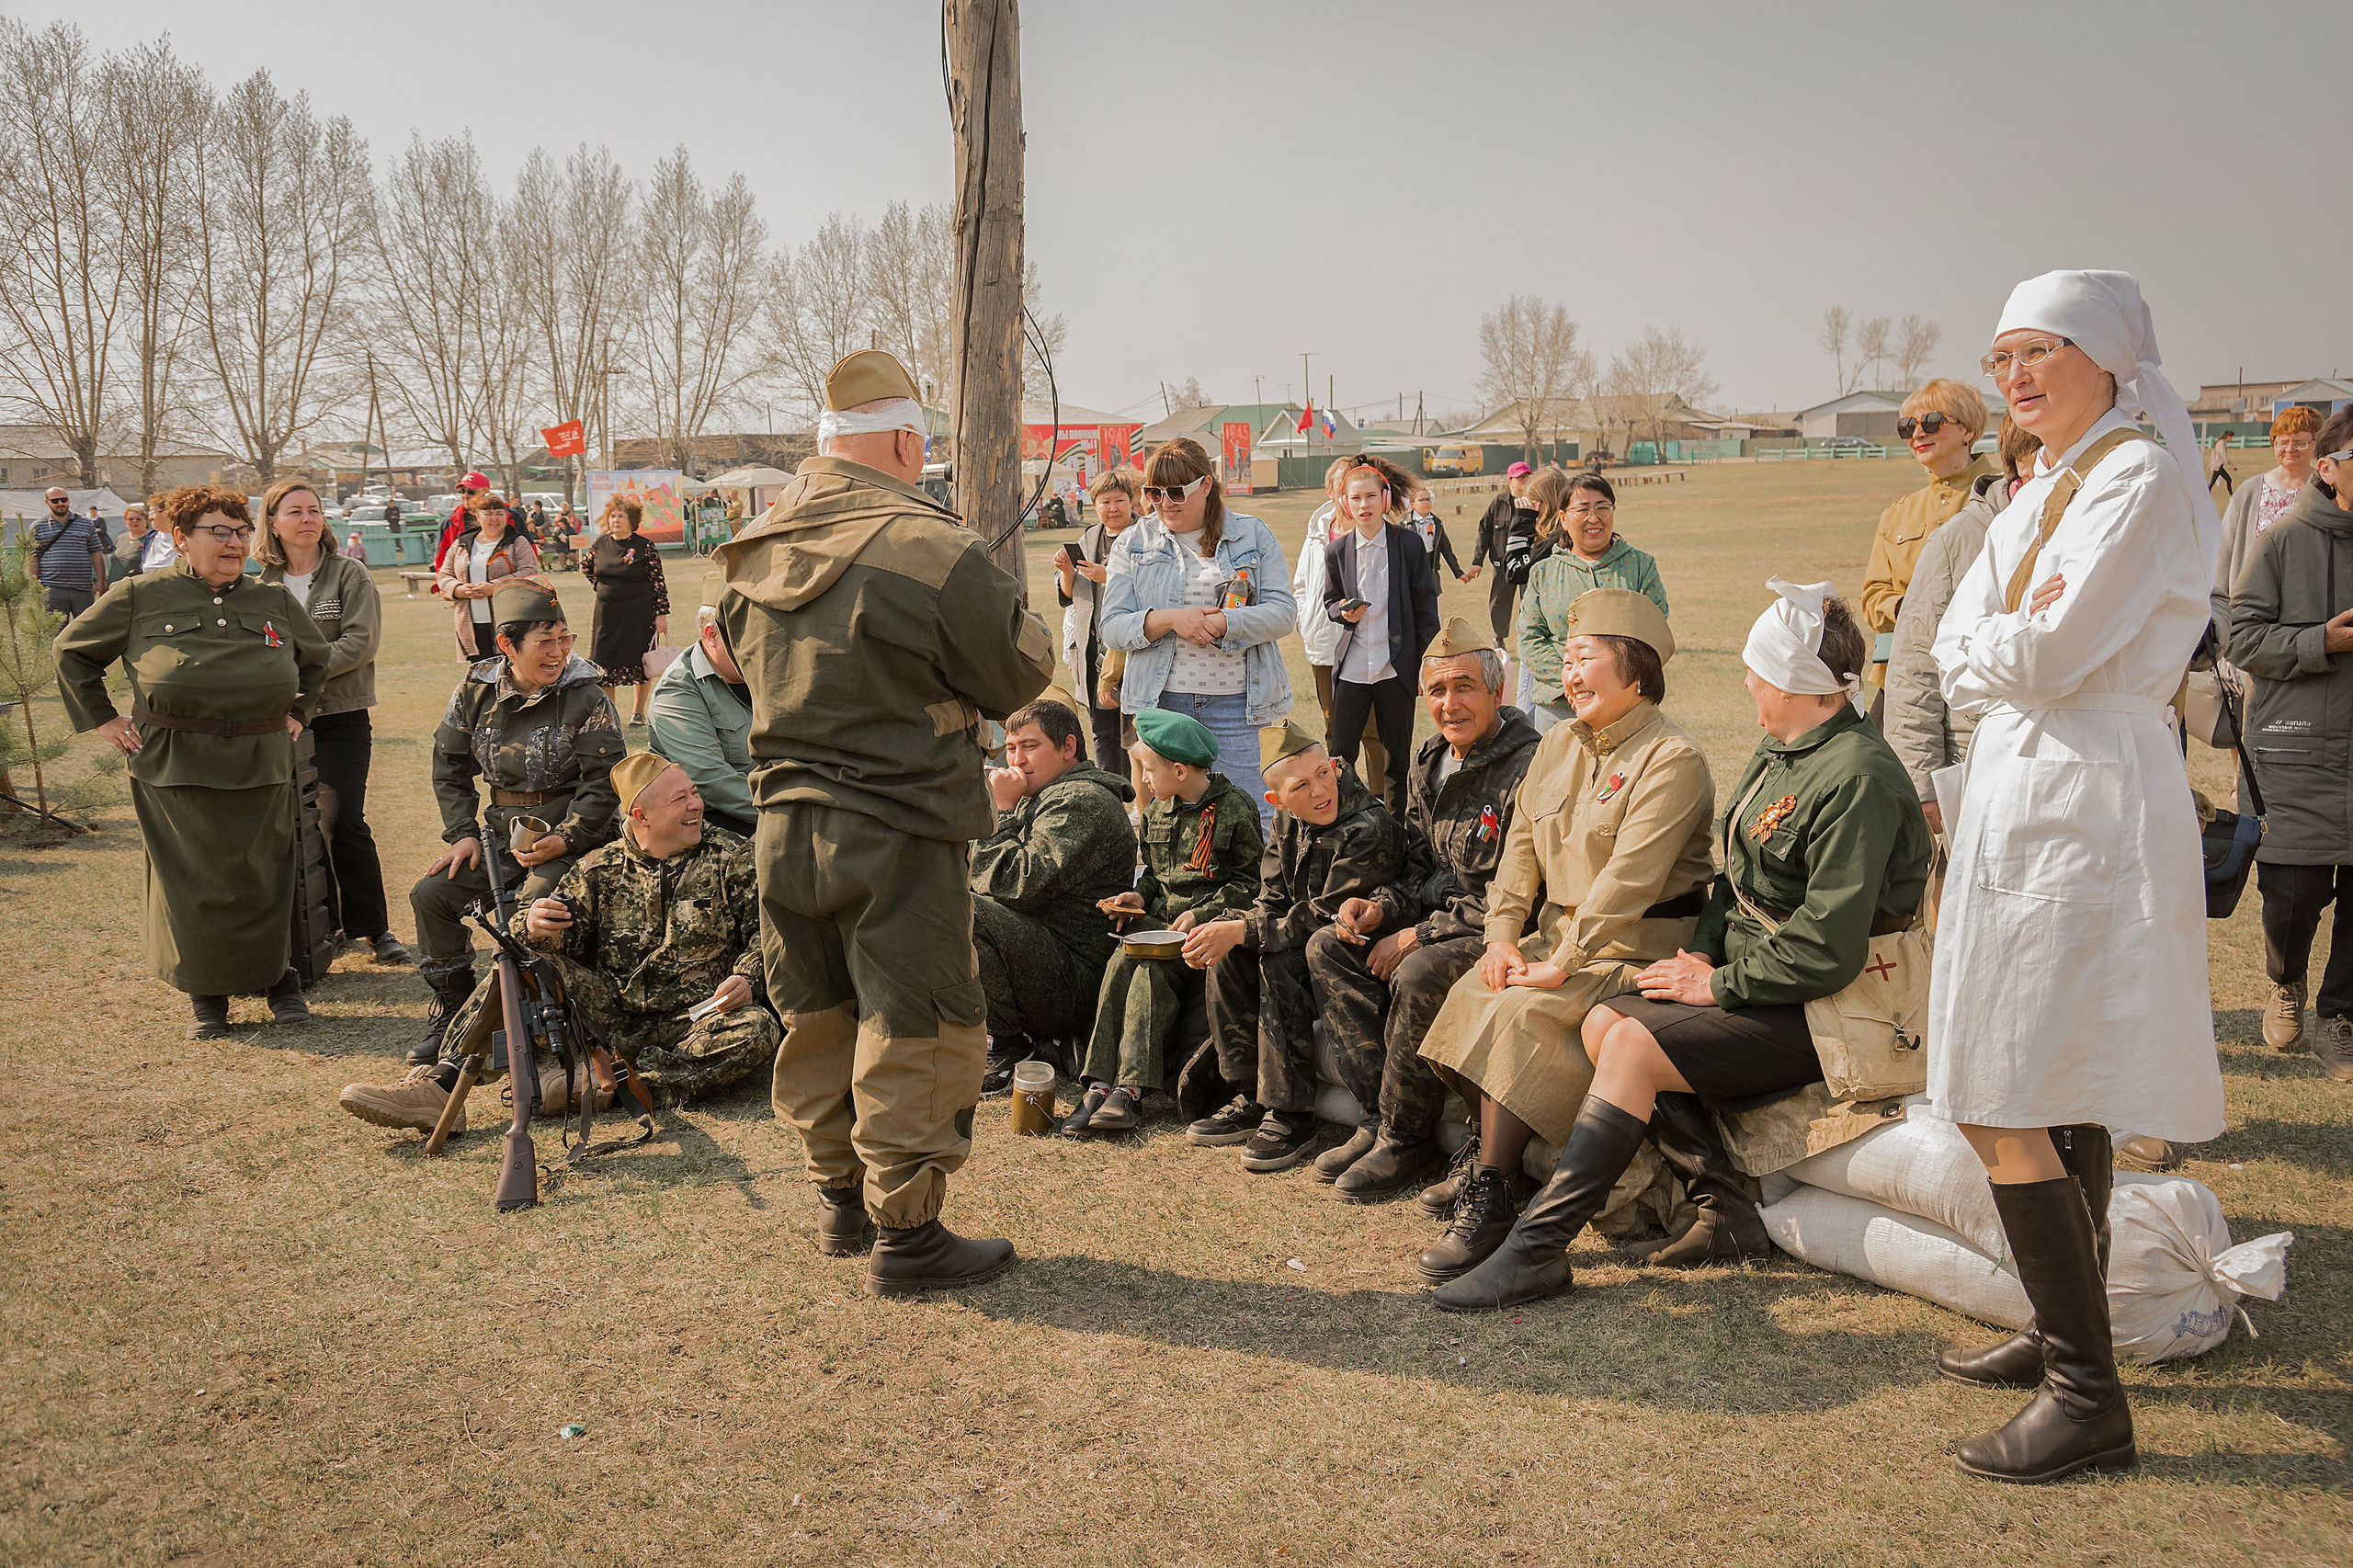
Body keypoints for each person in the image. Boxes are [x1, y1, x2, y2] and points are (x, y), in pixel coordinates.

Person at [1434, 581, 1929, 1321]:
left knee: (1627, 1038)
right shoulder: (1784, 749)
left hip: (1838, 1007)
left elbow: (1828, 950)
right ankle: (1722, 1205)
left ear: (1794, 683)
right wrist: (1702, 957)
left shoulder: (1857, 776)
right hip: (1773, 982)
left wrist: (1720, 985)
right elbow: (1732, 885)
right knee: (1608, 1024)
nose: (1747, 684)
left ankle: (1539, 1247)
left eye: (1756, 671)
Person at [1927, 271, 2227, 1483]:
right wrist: (1987, 650)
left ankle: (2086, 1397)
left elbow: (2038, 649)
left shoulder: (2137, 476)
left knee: (2002, 1085)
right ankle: (2068, 1331)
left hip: (2084, 789)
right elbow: (1968, 642)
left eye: (2042, 349)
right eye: (2002, 356)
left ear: (2107, 354)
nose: (2016, 375)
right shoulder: (2048, 482)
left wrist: (1981, 648)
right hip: (2029, 780)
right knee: (2058, 1081)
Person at [716, 347, 1053, 1293]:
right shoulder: (931, 545)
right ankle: (906, 1234)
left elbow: (741, 661)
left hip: (783, 822)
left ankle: (840, 1200)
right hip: (900, 821)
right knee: (918, 1021)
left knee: (817, 1013)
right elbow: (1017, 673)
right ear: (907, 440)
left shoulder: (758, 542)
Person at [1415, 590, 1714, 1280]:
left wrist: (1563, 962)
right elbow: (1519, 851)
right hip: (1555, 945)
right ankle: (1501, 1168)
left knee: (1518, 1018)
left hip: (1634, 953)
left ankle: (1490, 1197)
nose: (1570, 674)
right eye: (1567, 660)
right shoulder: (1557, 745)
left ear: (1635, 671)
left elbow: (1629, 885)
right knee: (1469, 994)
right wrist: (1500, 937)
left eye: (1587, 659)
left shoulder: (1672, 759)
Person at [337, 753, 779, 1135]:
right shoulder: (597, 868)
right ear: (641, 816)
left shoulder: (731, 857)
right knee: (516, 964)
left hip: (695, 1020)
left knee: (758, 1029)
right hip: (609, 1014)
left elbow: (767, 930)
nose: (697, 805)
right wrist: (534, 925)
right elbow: (549, 944)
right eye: (680, 799)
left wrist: (748, 975)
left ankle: (613, 1085)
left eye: (695, 792)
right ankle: (442, 1086)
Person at [55, 484, 331, 1038]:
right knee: (194, 881)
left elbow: (316, 658)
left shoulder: (272, 598)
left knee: (265, 873)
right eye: (218, 532)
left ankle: (279, 981)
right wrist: (104, 718)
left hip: (261, 756)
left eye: (239, 532)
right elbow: (71, 652)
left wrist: (299, 709)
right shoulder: (139, 594)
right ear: (180, 539)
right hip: (175, 761)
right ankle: (207, 994)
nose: (233, 543)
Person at [1307, 617, 1542, 1204]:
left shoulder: (1531, 764)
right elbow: (1414, 864)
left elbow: (1517, 892)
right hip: (1434, 918)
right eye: (1437, 691)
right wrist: (1381, 909)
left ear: (1497, 691)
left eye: (1464, 687)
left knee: (1417, 972)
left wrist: (1417, 936)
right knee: (1329, 946)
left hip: (1500, 930)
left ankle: (1406, 1137)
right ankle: (1376, 1114)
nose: (1450, 703)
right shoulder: (1429, 758)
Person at [406, 579, 624, 1065]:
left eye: (564, 637)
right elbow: (449, 766)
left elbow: (605, 782)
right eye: (544, 641)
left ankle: (538, 1016)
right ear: (507, 644)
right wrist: (463, 835)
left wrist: (566, 839)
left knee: (532, 908)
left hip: (574, 836)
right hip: (500, 834)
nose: (559, 652)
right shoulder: (475, 691)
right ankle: (453, 1011)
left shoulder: (587, 694)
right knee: (433, 895)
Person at [1182, 722, 1408, 1174]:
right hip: (1308, 940)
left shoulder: (1370, 825)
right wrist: (1230, 927)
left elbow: (1324, 917)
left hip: (1353, 953)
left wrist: (1246, 931)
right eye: (1302, 786)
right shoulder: (1287, 822)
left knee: (1279, 957)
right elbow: (1272, 899)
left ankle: (1290, 1113)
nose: (1322, 790)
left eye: (1325, 773)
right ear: (1277, 801)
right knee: (1230, 946)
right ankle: (1248, 1092)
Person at [1063, 708, 1263, 1138]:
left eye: (1148, 770)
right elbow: (1155, 875)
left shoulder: (1235, 810)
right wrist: (1138, 896)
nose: (1144, 780)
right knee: (1120, 961)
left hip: (1206, 937)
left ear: (1178, 769)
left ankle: (1132, 1090)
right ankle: (1098, 1084)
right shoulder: (1157, 811)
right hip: (1160, 928)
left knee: (1151, 975)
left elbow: (1251, 884)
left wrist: (1203, 913)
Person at [2228, 405, 2353, 1082]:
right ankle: (2286, 980)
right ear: (2328, 468)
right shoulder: (2280, 541)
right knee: (2293, 894)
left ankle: (2340, 1017)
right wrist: (2321, 641)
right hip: (2296, 750)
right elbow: (2242, 639)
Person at [1100, 436, 1297, 828]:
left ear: (1206, 485)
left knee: (1251, 815)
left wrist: (1227, 623)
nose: (1164, 503)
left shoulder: (1252, 534)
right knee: (1170, 820)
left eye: (1176, 492)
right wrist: (1171, 619)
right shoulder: (1133, 541)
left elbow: (1283, 614)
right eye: (1154, 493)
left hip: (1239, 706)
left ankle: (1257, 892)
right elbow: (1113, 627)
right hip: (1163, 705)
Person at [255, 479, 412, 968]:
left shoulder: (349, 575)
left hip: (340, 715)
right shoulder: (258, 584)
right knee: (296, 825)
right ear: (273, 523)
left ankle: (374, 929)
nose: (307, 519)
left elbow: (359, 642)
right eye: (295, 511)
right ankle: (326, 927)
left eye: (314, 510)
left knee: (343, 819)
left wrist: (300, 677)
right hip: (277, 721)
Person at [971, 699, 1139, 1090]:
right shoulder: (1048, 793)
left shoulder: (1081, 801)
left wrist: (1001, 811)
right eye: (1011, 748)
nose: (1017, 760)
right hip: (1048, 958)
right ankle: (1028, 1040)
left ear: (1068, 748)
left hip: (1075, 980)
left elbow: (1016, 884)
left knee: (964, 912)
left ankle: (1012, 1046)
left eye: (1030, 747)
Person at [1885, 416, 2040, 829]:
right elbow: (1915, 667)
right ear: (2024, 465)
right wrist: (1922, 782)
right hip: (1975, 760)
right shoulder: (1958, 539)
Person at [1321, 453, 1442, 815]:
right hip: (1354, 668)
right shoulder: (1336, 550)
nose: (1364, 505)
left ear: (1385, 499)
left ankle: (1395, 832)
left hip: (1396, 669)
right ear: (1345, 503)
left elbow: (1426, 610)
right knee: (1340, 756)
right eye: (1355, 498)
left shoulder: (1408, 545)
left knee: (1396, 759)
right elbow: (1329, 602)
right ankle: (1343, 824)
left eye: (1371, 496)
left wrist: (1428, 664)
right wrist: (1342, 611)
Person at [1859, 380, 1997, 696]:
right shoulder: (1896, 514)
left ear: (1968, 431)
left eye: (1932, 422)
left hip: (1979, 671)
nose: (1918, 434)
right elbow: (1872, 597)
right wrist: (1907, 608)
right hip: (1903, 676)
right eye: (1908, 427)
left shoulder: (2006, 498)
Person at [1516, 471, 1669, 733]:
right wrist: (1574, 681)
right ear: (1563, 518)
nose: (1593, 518)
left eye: (1602, 508)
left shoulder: (1640, 566)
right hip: (1558, 710)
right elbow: (1529, 639)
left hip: (1626, 710)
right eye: (1582, 509)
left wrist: (1611, 683)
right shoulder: (1544, 573)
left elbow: (1653, 631)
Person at [2212, 405, 2325, 705]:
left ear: (2316, 443)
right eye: (2283, 441)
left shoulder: (2328, 491)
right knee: (2244, 710)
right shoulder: (2249, 492)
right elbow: (2223, 556)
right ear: (2273, 443)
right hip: (2253, 621)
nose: (2291, 449)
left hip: (2307, 621)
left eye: (2301, 441)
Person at [1291, 457, 1388, 793]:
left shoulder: (1375, 531)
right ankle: (1344, 799)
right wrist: (1307, 621)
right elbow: (1302, 585)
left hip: (1365, 646)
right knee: (1335, 729)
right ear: (1332, 491)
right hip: (1323, 646)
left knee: (1374, 730)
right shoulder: (1316, 533)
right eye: (1342, 486)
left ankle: (1379, 802)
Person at [1055, 466, 1143, 771]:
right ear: (1095, 505)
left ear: (1131, 501)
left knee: (1136, 734)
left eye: (1119, 500)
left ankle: (1140, 800)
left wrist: (1109, 576)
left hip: (1133, 650)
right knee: (1102, 732)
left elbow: (1155, 588)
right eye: (1104, 502)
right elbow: (1070, 596)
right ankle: (1112, 797)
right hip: (1094, 649)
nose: (1113, 508)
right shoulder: (1089, 537)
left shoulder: (1147, 535)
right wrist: (1067, 572)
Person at [646, 604, 756, 838]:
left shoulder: (766, 671)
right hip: (712, 821)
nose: (761, 644)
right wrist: (786, 815)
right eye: (750, 632)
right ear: (711, 635)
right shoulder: (677, 692)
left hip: (772, 802)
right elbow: (713, 781)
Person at [582, 494, 670, 726]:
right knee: (604, 661)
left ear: (632, 520)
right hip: (607, 614)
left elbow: (658, 581)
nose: (616, 520)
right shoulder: (600, 544)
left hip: (638, 613)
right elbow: (587, 567)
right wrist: (599, 587)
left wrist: (661, 614)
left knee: (640, 661)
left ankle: (638, 712)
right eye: (612, 516)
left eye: (622, 516)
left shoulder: (644, 546)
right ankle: (611, 714)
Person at [435, 492, 544, 660]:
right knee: (480, 675)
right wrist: (458, 589)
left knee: (512, 672)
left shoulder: (517, 542)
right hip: (471, 624)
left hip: (509, 622)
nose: (494, 519)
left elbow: (529, 572)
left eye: (499, 514)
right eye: (488, 514)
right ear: (477, 516)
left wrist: (495, 587)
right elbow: (444, 574)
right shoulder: (462, 542)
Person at [1472, 462, 1535, 642]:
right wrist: (1477, 561)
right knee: (1499, 602)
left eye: (1527, 476)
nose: (1525, 480)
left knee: (1529, 601)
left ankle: (1528, 637)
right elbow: (1484, 531)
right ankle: (1499, 638)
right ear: (1510, 481)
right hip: (1502, 563)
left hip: (1527, 562)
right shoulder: (1499, 502)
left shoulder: (1535, 502)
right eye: (1520, 477)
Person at [28, 487, 106, 620]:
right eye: (55, 501)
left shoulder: (86, 524)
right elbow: (33, 557)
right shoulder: (37, 527)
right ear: (47, 502)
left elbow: (96, 553)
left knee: (86, 632)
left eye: (63, 500)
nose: (60, 503)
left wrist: (100, 581)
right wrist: (33, 585)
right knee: (57, 634)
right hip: (52, 589)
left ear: (68, 500)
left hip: (83, 589)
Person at [431, 472, 494, 574]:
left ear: (486, 492)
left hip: (502, 582)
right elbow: (440, 560)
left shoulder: (509, 517)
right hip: (463, 583)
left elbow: (526, 550)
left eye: (471, 492)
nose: (465, 495)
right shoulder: (450, 522)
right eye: (462, 491)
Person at [1407, 486, 1466, 580]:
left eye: (1428, 499)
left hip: (1431, 570)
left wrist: (1458, 572)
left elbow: (1446, 549)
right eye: (1422, 500)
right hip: (1410, 573)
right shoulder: (1405, 524)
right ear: (1412, 504)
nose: (1426, 502)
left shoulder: (1437, 523)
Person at [108, 501, 159, 584]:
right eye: (130, 519)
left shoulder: (153, 538)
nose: (134, 521)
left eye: (138, 519)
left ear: (146, 521)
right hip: (114, 585)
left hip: (137, 586)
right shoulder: (120, 538)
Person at [2208, 433, 2235, 497]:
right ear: (2228, 436)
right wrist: (2230, 465)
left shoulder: (2221, 442)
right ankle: (2231, 496)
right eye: (2231, 437)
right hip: (2218, 465)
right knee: (2228, 480)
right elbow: (2223, 454)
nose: (2231, 439)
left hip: (2217, 465)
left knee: (2213, 482)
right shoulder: (2221, 443)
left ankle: (2231, 495)